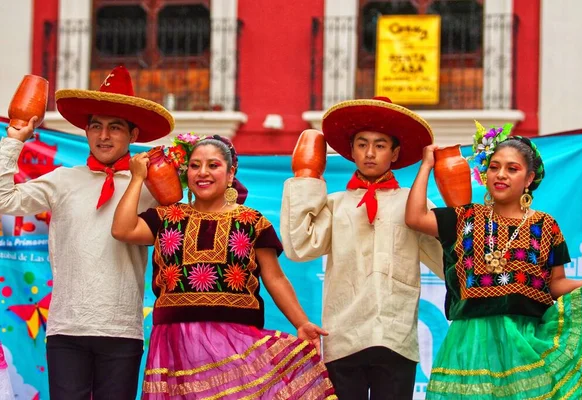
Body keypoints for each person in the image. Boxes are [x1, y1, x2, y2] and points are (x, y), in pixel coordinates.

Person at [111, 133, 337, 399]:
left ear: (230, 174)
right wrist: (138, 177)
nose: (202, 172)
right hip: (174, 343)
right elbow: (122, 229)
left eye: (213, 165)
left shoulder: (252, 221)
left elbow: (274, 278)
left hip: (235, 342)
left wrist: (301, 323)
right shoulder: (166, 217)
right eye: (195, 165)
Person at [0, 65, 174, 399]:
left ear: (133, 135)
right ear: (86, 131)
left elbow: (189, 220)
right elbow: (4, 198)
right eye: (96, 126)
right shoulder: (63, 179)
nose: (103, 136)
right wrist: (14, 140)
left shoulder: (150, 188)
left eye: (115, 127)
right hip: (67, 327)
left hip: (122, 328)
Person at [405, 122, 582, 399]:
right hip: (469, 344)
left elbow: (555, 284)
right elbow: (414, 218)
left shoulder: (546, 226)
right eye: (494, 167)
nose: (501, 175)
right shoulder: (465, 218)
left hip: (524, 343)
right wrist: (425, 166)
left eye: (512, 169)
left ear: (529, 178)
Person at [280, 97, 444, 399]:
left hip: (395, 335)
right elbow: (299, 247)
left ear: (394, 153)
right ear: (351, 151)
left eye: (380, 145)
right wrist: (307, 179)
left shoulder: (413, 202)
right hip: (343, 335)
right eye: (362, 144)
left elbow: (448, 262)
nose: (370, 153)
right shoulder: (334, 203)